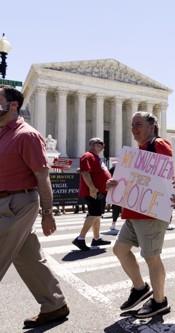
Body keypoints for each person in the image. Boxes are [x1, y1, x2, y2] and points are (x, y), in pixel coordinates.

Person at [0, 86, 69, 328]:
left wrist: (48, 214)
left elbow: (42, 176)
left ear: (12, 105)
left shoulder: (26, 135)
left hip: (17, 204)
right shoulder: (2, 134)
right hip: (5, 202)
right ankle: (54, 304)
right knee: (27, 257)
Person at [107, 111, 173, 318]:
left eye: (138, 124)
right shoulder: (139, 150)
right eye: (132, 125)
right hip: (134, 211)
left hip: (151, 213)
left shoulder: (159, 145)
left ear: (152, 126)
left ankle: (160, 301)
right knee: (120, 249)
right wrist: (115, 183)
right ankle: (140, 288)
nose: (134, 129)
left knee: (152, 257)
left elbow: (174, 170)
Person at [72, 138, 112, 250]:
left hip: (100, 191)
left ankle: (96, 238)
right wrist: (92, 188)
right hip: (93, 192)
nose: (102, 146)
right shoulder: (88, 156)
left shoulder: (96, 157)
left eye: (103, 144)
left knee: (97, 215)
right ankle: (80, 239)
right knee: (94, 214)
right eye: (100, 144)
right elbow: (85, 172)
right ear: (92, 144)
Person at [108, 163, 121, 235]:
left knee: (116, 208)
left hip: (117, 190)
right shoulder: (115, 169)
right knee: (117, 207)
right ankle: (113, 223)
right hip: (118, 190)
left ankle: (113, 223)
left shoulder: (112, 169)